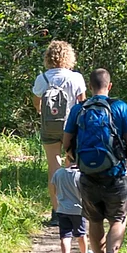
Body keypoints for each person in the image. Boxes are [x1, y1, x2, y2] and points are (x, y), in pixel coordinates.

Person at [64, 67, 127, 253]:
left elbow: (66, 142)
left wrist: (75, 159)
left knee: (95, 220)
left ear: (90, 87)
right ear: (110, 86)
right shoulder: (120, 107)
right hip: (114, 173)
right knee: (118, 218)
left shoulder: (78, 110)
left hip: (88, 175)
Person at [32, 41, 85, 169]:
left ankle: (54, 189)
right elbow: (83, 103)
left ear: (48, 57)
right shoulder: (76, 77)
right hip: (71, 126)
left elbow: (36, 102)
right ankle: (70, 188)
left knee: (53, 166)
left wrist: (41, 111)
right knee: (73, 162)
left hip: (49, 125)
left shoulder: (42, 78)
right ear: (69, 57)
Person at [50, 148, 89, 253]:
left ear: (67, 160)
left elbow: (54, 191)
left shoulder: (58, 173)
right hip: (78, 210)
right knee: (81, 235)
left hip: (62, 210)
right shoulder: (81, 176)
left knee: (65, 236)